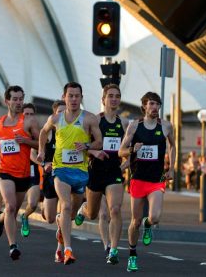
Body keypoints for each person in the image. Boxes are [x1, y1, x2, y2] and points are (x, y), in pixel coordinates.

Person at [37, 82, 102, 265]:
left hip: (80, 171)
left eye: (77, 96)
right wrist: (41, 150)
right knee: (65, 206)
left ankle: (61, 237)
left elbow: (99, 142)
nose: (73, 99)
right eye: (70, 96)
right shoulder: (55, 118)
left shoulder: (89, 118)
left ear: (81, 97)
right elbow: (43, 132)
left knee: (71, 214)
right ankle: (68, 250)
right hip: (61, 169)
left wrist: (87, 145)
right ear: (64, 97)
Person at [0, 85, 40, 261]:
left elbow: (40, 143)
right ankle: (13, 246)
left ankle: (0, 219)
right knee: (11, 206)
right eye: (15, 99)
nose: (18, 102)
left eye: (21, 99)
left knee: (11, 212)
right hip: (4, 171)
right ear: (7, 101)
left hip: (23, 173)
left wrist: (26, 141)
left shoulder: (28, 122)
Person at [118, 91, 175, 273]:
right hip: (138, 178)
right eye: (151, 104)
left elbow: (172, 146)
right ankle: (132, 255)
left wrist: (172, 168)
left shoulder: (166, 126)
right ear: (144, 106)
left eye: (157, 104)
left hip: (157, 179)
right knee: (135, 221)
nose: (154, 107)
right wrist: (132, 149)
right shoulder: (135, 126)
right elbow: (121, 151)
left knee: (155, 217)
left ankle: (149, 224)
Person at [74, 84, 129, 265]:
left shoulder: (124, 124)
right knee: (92, 214)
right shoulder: (95, 121)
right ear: (103, 99)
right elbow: (81, 147)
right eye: (110, 96)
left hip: (114, 172)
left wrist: (125, 165)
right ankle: (83, 209)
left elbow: (128, 150)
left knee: (115, 210)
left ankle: (113, 250)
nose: (114, 99)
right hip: (95, 171)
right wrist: (94, 152)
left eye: (117, 96)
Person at [40, 99, 66, 263]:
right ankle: (56, 217)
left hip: (65, 176)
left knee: (65, 211)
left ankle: (60, 250)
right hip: (50, 177)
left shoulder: (74, 131)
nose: (63, 115)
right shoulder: (49, 132)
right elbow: (37, 152)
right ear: (54, 114)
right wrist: (44, 163)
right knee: (49, 218)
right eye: (60, 112)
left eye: (65, 111)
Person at [20, 103, 41, 238]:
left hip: (32, 171)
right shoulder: (15, 130)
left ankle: (25, 216)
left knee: (33, 204)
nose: (28, 116)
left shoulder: (37, 132)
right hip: (16, 172)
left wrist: (42, 163)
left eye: (31, 114)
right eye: (26, 114)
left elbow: (33, 153)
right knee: (11, 207)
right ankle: (1, 219)